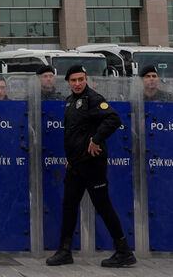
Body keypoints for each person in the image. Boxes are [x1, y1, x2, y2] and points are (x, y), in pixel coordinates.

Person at [46, 65, 135, 268]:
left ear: (86, 79)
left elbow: (113, 119)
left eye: (81, 79)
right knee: (69, 206)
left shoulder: (94, 99)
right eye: (73, 80)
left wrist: (96, 139)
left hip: (93, 163)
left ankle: (124, 252)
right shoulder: (70, 101)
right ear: (68, 82)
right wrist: (71, 157)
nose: (77, 83)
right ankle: (65, 251)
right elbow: (74, 133)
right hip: (75, 164)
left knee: (103, 206)